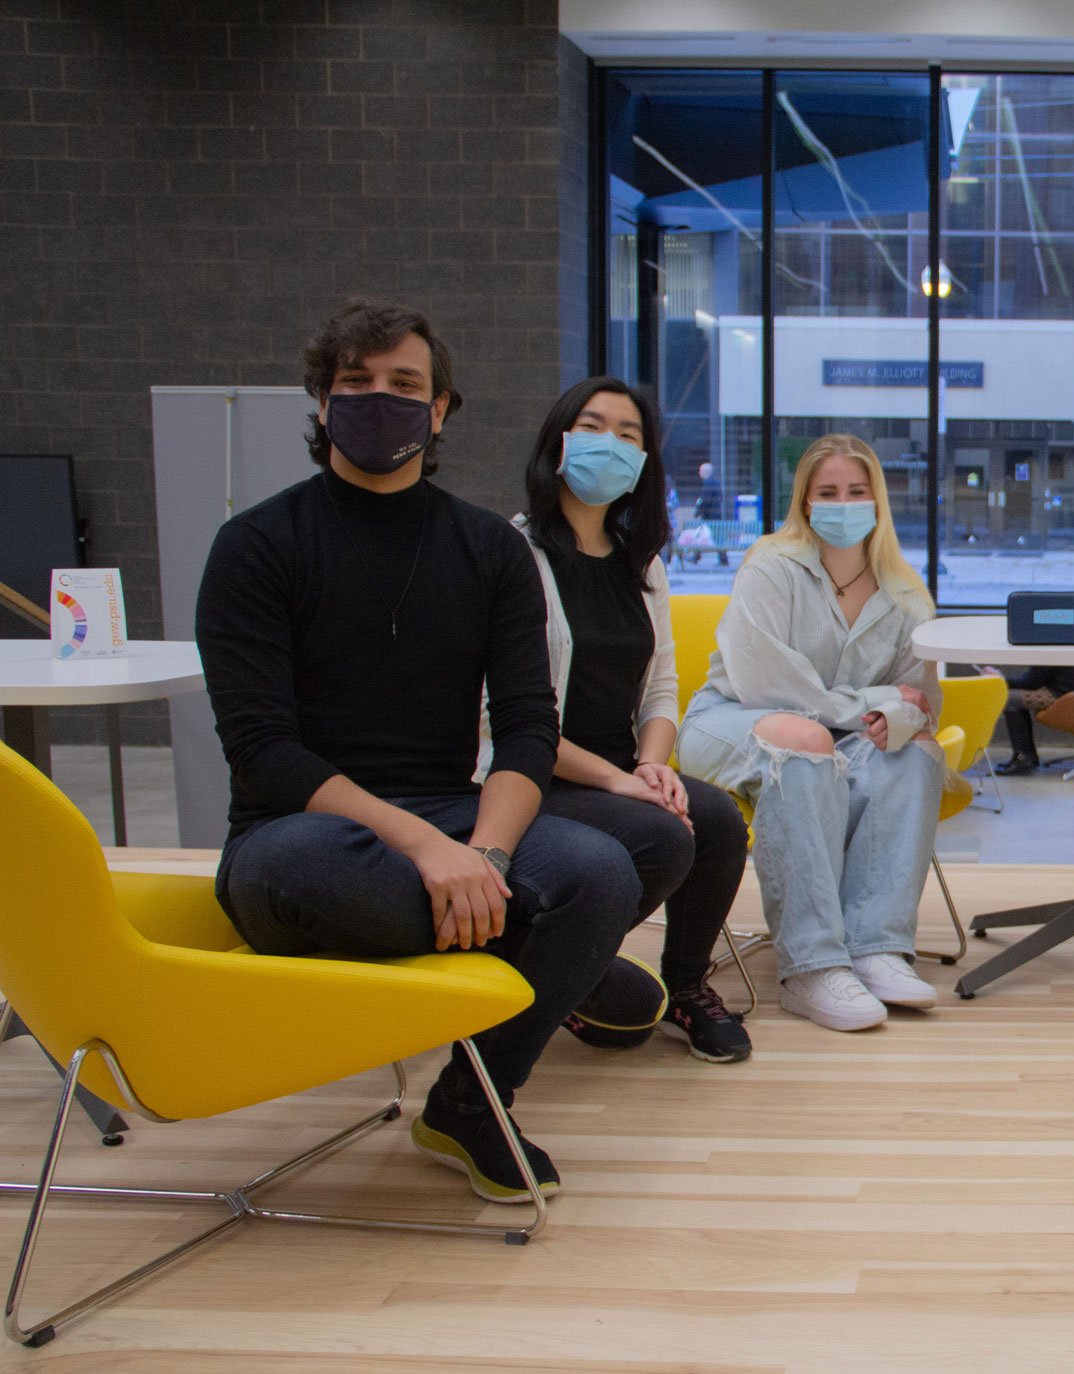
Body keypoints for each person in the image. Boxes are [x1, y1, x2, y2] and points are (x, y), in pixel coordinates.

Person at [197, 299, 639, 1206]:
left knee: (602, 872)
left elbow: (525, 726)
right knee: (315, 875)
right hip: (304, 837)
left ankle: (472, 1104)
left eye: (405, 385)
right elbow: (262, 750)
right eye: (355, 382)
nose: (379, 399)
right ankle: (548, 951)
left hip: (450, 817)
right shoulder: (255, 545)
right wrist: (430, 852)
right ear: (321, 401)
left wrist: (486, 852)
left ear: (439, 410)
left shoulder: (490, 551)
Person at [502, 376, 754, 1063]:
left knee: (719, 821)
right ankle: (560, 964)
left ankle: (685, 986)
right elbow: (510, 713)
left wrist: (651, 764)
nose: (608, 443)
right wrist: (621, 784)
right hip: (534, 775)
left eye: (628, 434)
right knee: (660, 832)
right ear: (559, 439)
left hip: (620, 769)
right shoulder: (512, 555)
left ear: (644, 462)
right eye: (592, 425)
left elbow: (662, 687)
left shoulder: (642, 563)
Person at [677, 434, 945, 1033]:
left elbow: (920, 699)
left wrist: (895, 718)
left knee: (916, 753)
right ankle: (812, 966)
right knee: (805, 739)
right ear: (804, 502)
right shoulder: (770, 567)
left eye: (857, 491)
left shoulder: (904, 592)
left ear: (878, 501)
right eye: (828, 492)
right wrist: (868, 705)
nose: (843, 503)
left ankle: (876, 946)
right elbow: (767, 683)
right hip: (731, 720)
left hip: (832, 736)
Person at [987, 664, 1074, 775]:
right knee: (1014, 699)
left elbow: (1033, 683)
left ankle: (1024, 758)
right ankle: (1024, 757)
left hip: (1062, 696)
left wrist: (1000, 680)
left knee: (1009, 699)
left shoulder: (1044, 647)